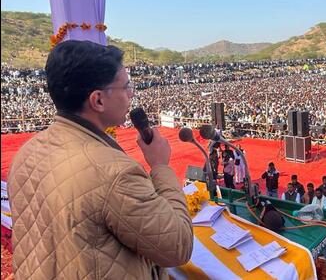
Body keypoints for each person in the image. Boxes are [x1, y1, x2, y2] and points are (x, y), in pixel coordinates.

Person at [7, 41, 194, 279]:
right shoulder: (114, 172)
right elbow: (178, 246)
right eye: (126, 86)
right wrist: (160, 166)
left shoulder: (27, 152)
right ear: (98, 100)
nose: (131, 93)